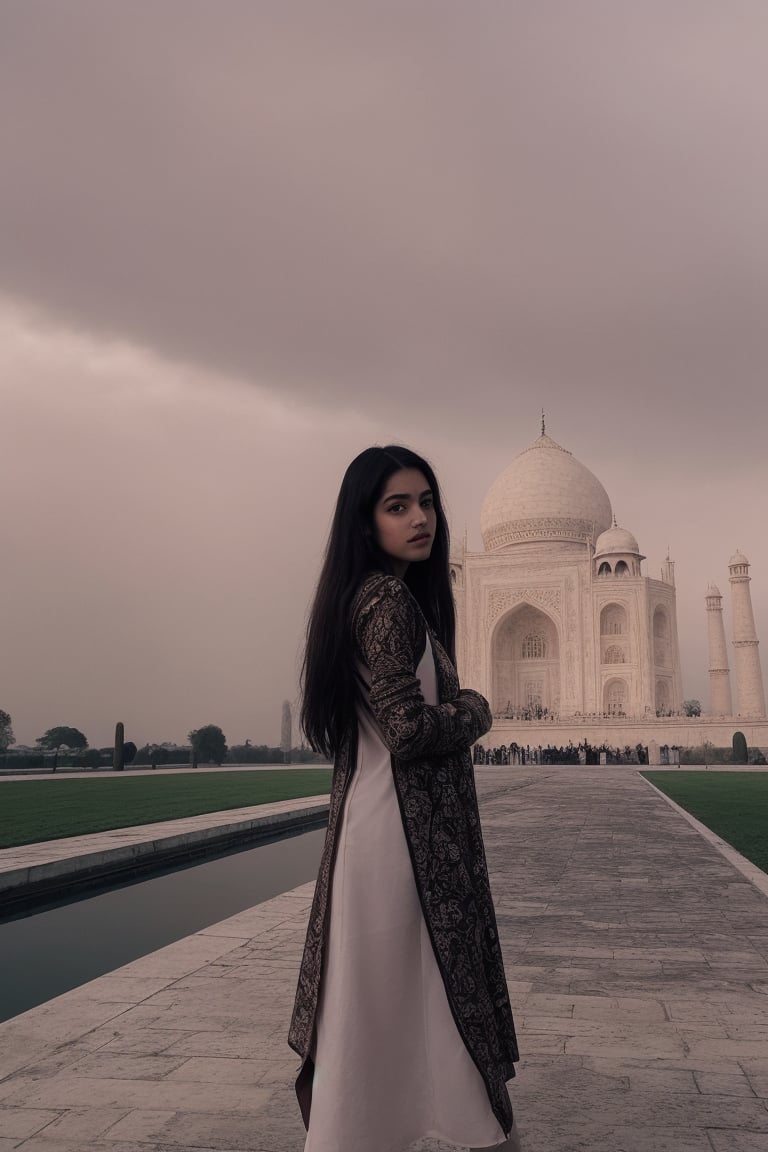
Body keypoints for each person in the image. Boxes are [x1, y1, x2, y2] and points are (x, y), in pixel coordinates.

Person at [288, 446, 521, 1152]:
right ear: (367, 522)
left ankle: (374, 1130)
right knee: (418, 994)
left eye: (426, 501)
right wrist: (479, 709)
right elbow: (407, 727)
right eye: (398, 506)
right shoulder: (388, 602)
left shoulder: (372, 597)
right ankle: (439, 1126)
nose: (420, 518)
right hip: (399, 840)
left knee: (388, 1001)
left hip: (383, 829)